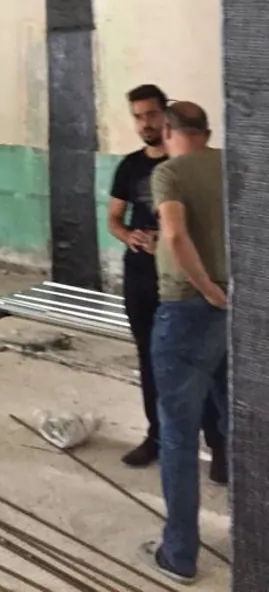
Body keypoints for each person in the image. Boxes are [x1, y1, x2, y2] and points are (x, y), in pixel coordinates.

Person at [108, 85, 226, 480]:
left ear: (167, 119)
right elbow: (114, 219)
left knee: (207, 366)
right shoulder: (130, 167)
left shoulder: (183, 168)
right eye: (138, 116)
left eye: (152, 115)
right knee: (150, 359)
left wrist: (204, 282)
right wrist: (130, 236)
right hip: (143, 278)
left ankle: (219, 446)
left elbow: (182, 233)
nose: (145, 123)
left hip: (186, 284)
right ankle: (156, 436)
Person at [141, 102, 228, 585]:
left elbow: (174, 235)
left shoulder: (169, 173)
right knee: (240, 424)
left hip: (187, 311)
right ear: (207, 132)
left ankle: (179, 554)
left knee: (178, 434)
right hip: (236, 313)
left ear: (170, 130)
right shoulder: (231, 164)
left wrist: (207, 287)